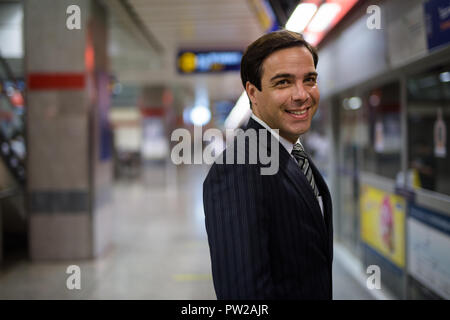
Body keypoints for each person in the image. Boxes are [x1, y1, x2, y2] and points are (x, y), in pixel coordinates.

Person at [203, 30, 333, 300]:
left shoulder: (293, 151)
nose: (301, 95)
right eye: (283, 83)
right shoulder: (239, 168)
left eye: (309, 80)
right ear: (253, 92)